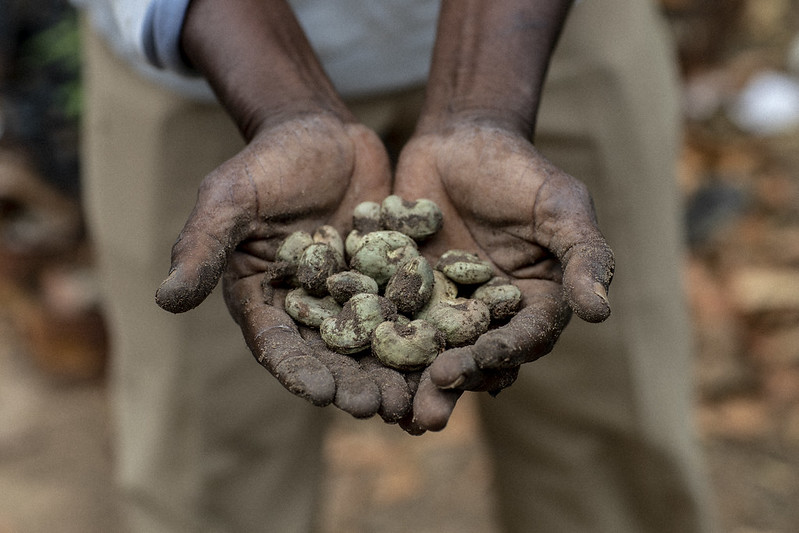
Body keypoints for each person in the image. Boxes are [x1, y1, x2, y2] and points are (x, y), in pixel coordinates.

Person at [77, 0, 719, 531]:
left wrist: (483, 106)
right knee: (208, 471)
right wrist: (284, 108)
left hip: (540, 36)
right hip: (207, 54)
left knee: (612, 447)